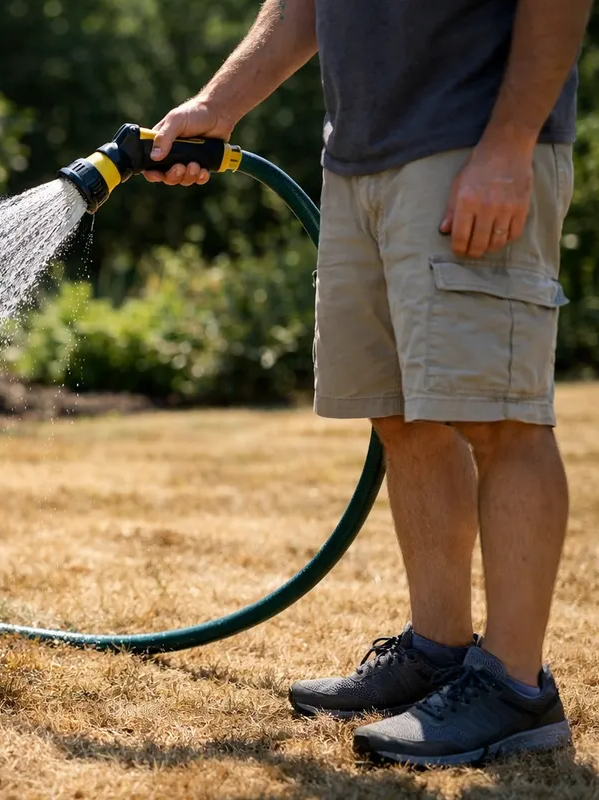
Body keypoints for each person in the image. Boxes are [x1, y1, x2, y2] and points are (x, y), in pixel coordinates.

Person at [146, 0, 590, 767]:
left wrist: (511, 142)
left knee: (500, 418)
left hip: (471, 146)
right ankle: (439, 653)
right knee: (402, 417)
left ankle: (515, 688)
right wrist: (215, 107)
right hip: (359, 158)